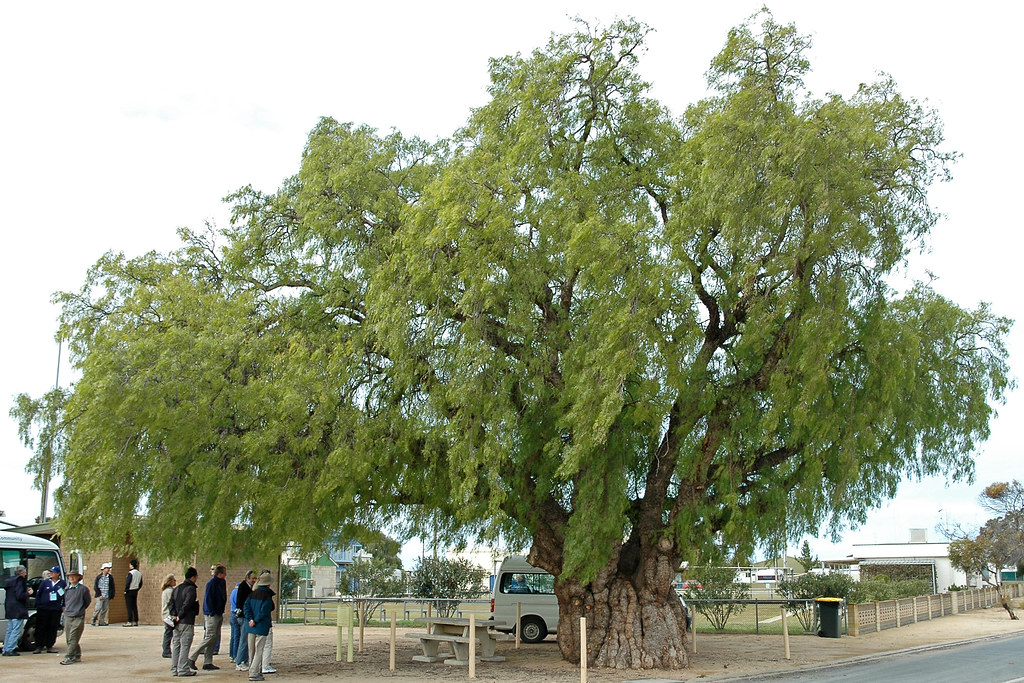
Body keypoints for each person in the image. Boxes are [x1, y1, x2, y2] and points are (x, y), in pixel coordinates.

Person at [189, 563, 226, 670]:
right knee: (209, 636)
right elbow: (209, 599)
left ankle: (208, 661)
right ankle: (192, 657)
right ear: (220, 573)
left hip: (218, 613)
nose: (226, 574)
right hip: (211, 614)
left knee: (214, 638)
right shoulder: (212, 583)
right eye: (224, 572)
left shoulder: (222, 582)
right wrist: (212, 612)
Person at [244, 570, 275, 682]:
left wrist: (251, 619)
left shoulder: (252, 594)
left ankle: (253, 671)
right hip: (261, 626)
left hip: (251, 626)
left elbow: (246, 607)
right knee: (259, 650)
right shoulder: (267, 596)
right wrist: (256, 620)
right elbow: (264, 611)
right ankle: (254, 673)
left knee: (251, 650)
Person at [170, 567, 200, 677]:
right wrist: (180, 615)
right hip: (186, 621)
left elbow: (171, 603)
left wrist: (174, 616)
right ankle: (182, 668)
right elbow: (187, 604)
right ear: (193, 577)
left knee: (176, 645)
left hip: (176, 622)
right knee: (185, 645)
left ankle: (174, 668)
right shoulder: (191, 589)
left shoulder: (177, 589)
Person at [60, 568, 91, 664]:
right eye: (70, 576)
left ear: (78, 577)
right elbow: (65, 601)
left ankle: (68, 656)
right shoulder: (66, 589)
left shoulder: (83, 589)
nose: (72, 578)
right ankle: (76, 655)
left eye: (74, 576)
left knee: (74, 637)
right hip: (68, 616)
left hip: (78, 616)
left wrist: (80, 609)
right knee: (69, 638)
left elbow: (87, 601)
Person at [33, 565, 66, 653]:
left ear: (58, 574)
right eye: (50, 572)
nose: (51, 574)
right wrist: (38, 605)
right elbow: (39, 594)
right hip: (43, 608)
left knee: (52, 628)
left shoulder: (62, 583)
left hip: (55, 609)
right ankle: (39, 646)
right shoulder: (45, 582)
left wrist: (63, 605)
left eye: (53, 572)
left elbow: (64, 595)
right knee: (41, 627)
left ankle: (50, 646)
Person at [2, 565, 33, 656]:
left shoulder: (10, 581)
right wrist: (28, 593)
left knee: (10, 630)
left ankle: (6, 648)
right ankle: (10, 649)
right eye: (25, 572)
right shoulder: (20, 581)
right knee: (16, 630)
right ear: (22, 573)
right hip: (18, 609)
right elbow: (20, 595)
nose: (26, 573)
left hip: (10, 608)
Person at [231, 570, 257, 671]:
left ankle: (243, 660)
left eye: (255, 578)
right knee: (244, 640)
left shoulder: (247, 587)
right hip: (243, 616)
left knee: (243, 639)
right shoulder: (244, 587)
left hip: (243, 616)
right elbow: (244, 603)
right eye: (252, 579)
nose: (254, 580)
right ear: (247, 578)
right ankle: (240, 661)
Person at [160, 573, 177, 658]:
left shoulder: (166, 591)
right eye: (174, 580)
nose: (175, 581)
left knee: (168, 632)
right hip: (169, 615)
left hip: (165, 615)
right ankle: (166, 650)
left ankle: (166, 649)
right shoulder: (170, 591)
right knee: (169, 633)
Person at [123, 558, 143, 626]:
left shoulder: (131, 573)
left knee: (129, 606)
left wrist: (125, 590)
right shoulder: (139, 573)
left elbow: (128, 582)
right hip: (135, 590)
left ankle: (129, 620)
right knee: (134, 606)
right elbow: (141, 583)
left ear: (132, 565)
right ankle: (136, 620)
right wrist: (137, 588)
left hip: (129, 591)